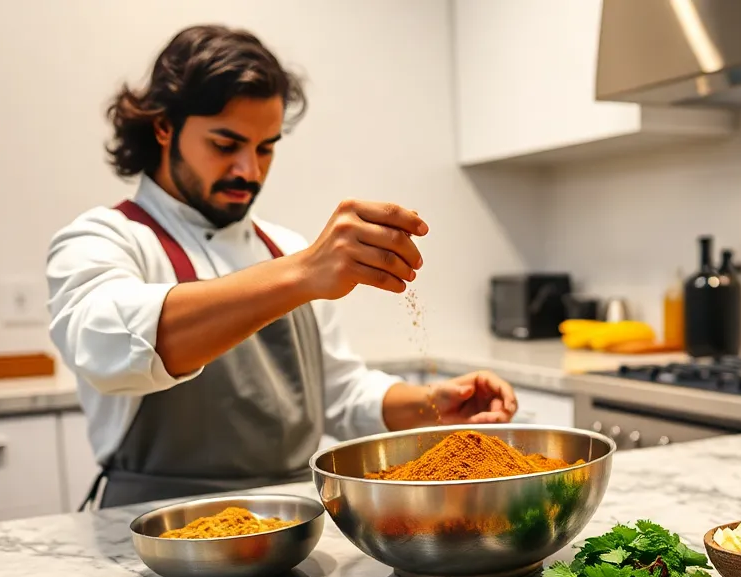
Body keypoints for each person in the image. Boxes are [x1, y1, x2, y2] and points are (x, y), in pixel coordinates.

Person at [46, 25, 517, 508]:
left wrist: (433, 404)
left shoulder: (285, 248)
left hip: (291, 519)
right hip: (154, 528)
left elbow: (339, 393)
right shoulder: (104, 239)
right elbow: (103, 349)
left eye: (265, 147)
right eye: (226, 145)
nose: (249, 171)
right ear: (164, 127)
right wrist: (303, 274)